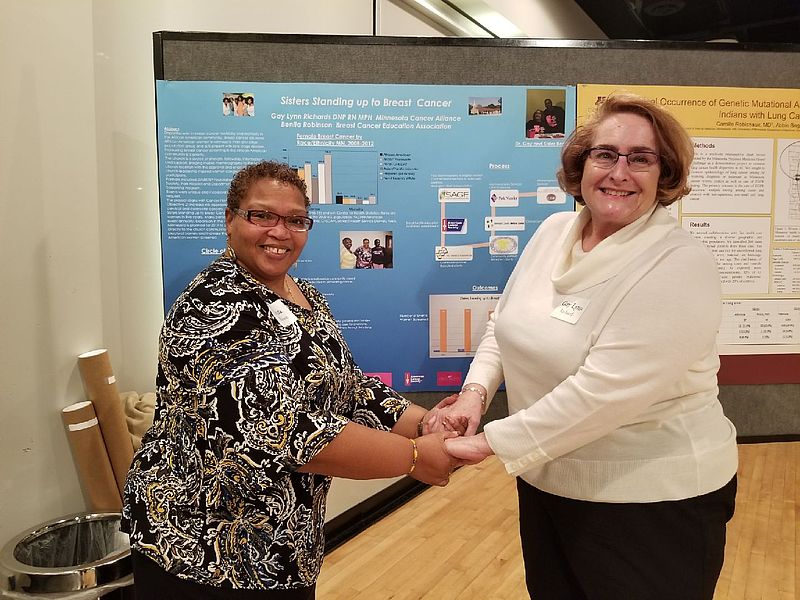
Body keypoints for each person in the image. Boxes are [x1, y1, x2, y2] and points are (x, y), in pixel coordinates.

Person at [441, 92, 738, 600]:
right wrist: (474, 393)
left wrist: (488, 442)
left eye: (640, 159)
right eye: (605, 154)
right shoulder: (554, 230)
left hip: (652, 501)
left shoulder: (680, 264)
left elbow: (603, 393)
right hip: (547, 479)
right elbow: (503, 323)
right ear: (581, 166)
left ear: (664, 175)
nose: (619, 172)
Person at [123, 160, 458, 599]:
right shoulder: (212, 305)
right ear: (230, 219)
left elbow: (346, 385)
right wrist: (414, 458)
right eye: (262, 215)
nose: (280, 232)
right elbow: (284, 432)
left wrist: (423, 422)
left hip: (285, 549)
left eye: (296, 220)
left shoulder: (302, 294)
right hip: (205, 554)